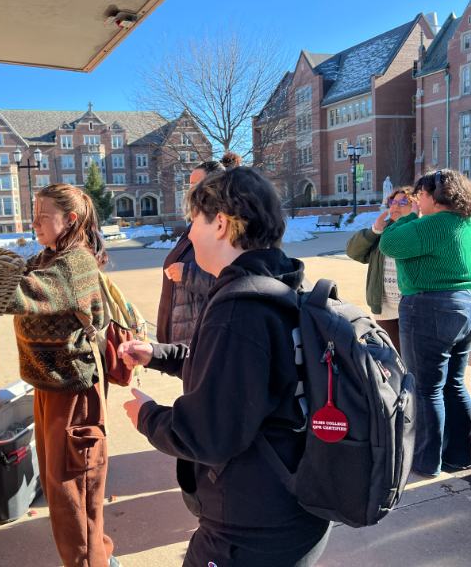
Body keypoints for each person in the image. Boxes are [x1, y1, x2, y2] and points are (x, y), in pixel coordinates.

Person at [120, 168, 331, 566]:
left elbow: (206, 434)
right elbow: (239, 374)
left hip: (250, 526)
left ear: (220, 222)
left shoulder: (239, 309)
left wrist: (146, 416)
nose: (190, 234)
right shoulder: (279, 286)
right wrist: (158, 353)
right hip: (294, 505)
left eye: (194, 222)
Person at [7, 183, 119, 567]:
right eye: (33, 213)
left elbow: (23, 293)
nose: (34, 222)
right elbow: (20, 273)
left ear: (70, 219)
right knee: (62, 488)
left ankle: (91, 563)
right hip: (49, 387)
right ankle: (100, 558)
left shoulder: (73, 264)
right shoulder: (48, 256)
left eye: (43, 216)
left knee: (74, 491)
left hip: (73, 393)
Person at [379, 169, 471, 478]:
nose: (418, 201)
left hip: (429, 308)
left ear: (434, 197)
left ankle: (427, 461)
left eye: (421, 196)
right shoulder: (467, 224)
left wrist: (403, 217)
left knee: (427, 388)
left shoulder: (427, 225)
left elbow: (389, 244)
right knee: (454, 383)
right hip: (469, 306)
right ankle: (461, 454)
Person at [156, 160, 225, 344]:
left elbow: (232, 281)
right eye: (190, 184)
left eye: (196, 184)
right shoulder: (198, 223)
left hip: (202, 338)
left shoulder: (223, 225)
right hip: (185, 337)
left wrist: (187, 274)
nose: (190, 190)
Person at [345, 185, 415, 351]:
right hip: (385, 307)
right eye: (393, 201)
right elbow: (353, 251)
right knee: (392, 356)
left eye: (403, 202)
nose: (395, 206)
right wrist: (374, 230)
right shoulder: (384, 230)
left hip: (412, 307)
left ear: (416, 205)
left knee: (412, 358)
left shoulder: (419, 230)